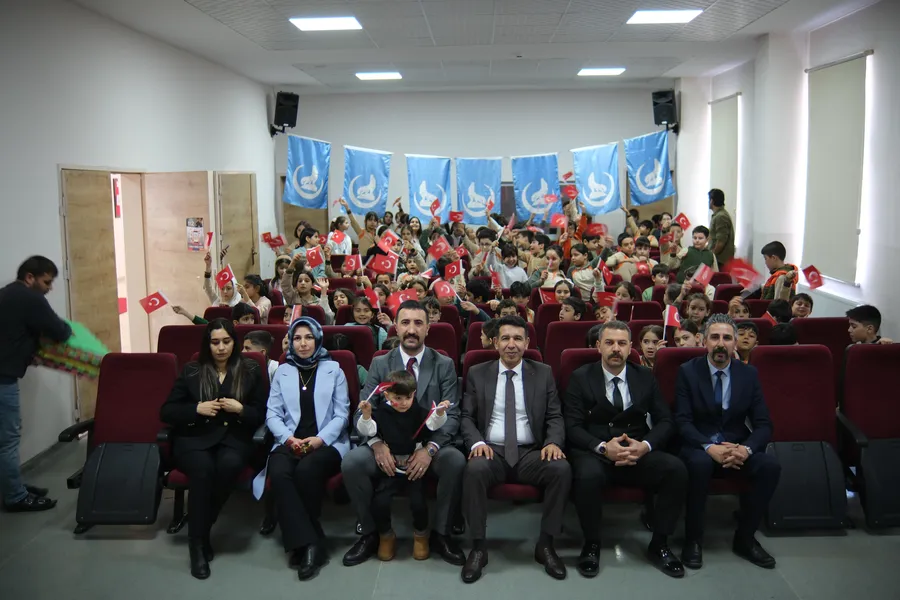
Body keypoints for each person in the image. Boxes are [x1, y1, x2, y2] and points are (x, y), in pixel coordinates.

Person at [342, 301, 465, 567]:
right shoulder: (380, 363)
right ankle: (371, 533)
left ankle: (441, 534)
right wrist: (376, 445)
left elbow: (452, 414)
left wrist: (429, 450)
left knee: (455, 460)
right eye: (405, 323)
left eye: (418, 323)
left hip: (428, 443)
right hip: (387, 442)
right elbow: (363, 410)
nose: (411, 329)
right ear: (395, 327)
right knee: (352, 462)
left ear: (428, 328)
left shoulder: (443, 364)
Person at [564, 320, 686, 579]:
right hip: (597, 451)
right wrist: (601, 448)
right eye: (609, 343)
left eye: (622, 343)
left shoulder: (645, 376)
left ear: (631, 347)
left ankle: (660, 543)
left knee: (675, 470)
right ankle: (591, 543)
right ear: (598, 346)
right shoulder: (580, 377)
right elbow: (572, 426)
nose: (616, 349)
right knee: (587, 475)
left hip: (637, 450)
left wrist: (646, 445)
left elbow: (665, 420)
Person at [459, 316, 571, 583]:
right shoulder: (478, 372)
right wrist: (477, 443)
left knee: (561, 469)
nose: (512, 344)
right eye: (506, 338)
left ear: (527, 343)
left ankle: (546, 545)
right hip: (492, 450)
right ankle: (478, 547)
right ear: (495, 342)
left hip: (531, 452)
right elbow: (466, 417)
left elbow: (555, 416)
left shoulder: (542, 373)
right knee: (474, 469)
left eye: (518, 338)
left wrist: (553, 442)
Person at [159, 319, 268, 579]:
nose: (221, 348)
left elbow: (262, 414)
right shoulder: (192, 370)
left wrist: (241, 409)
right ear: (207, 344)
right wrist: (195, 409)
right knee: (203, 470)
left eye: (226, 342)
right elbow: (167, 411)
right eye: (215, 342)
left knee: (230, 464)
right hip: (195, 438)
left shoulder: (250, 369)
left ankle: (201, 530)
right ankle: (197, 546)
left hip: (234, 437)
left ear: (234, 342)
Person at [674, 314, 781, 570]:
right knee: (699, 465)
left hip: (736, 445)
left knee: (769, 467)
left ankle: (745, 538)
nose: (720, 344)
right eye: (714, 337)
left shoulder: (748, 374)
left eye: (727, 338)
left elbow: (764, 424)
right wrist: (709, 447)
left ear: (735, 343)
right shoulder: (688, 371)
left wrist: (746, 449)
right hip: (699, 444)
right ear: (704, 341)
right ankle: (693, 539)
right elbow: (682, 421)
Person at [252, 317, 349, 580]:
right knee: (279, 472)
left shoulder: (334, 370)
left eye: (308, 337)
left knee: (306, 470)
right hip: (290, 440)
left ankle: (301, 543)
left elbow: (342, 415)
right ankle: (312, 542)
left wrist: (319, 439)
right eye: (297, 338)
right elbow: (272, 414)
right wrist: (288, 439)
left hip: (326, 441)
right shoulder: (283, 371)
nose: (303, 343)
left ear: (318, 340)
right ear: (290, 342)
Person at [0, 256, 72, 512]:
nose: (49, 288)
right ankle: (16, 496)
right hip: (2, 380)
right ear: (30, 277)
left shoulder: (5, 294)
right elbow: (60, 331)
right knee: (8, 440)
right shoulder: (29, 297)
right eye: (46, 282)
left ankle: (12, 486)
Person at [356, 371, 451, 561]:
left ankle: (421, 535)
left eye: (408, 397)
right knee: (380, 502)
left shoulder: (418, 411)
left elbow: (432, 424)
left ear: (414, 394)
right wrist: (366, 416)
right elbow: (368, 430)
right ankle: (386, 535)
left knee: (418, 502)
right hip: (390, 468)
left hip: (413, 467)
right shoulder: (381, 413)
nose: (404, 402)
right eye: (398, 398)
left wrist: (440, 412)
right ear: (387, 395)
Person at [708, 189, 736, 267]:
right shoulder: (719, 215)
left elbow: (721, 241)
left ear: (711, 201)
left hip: (720, 260)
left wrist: (711, 256)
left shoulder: (720, 217)